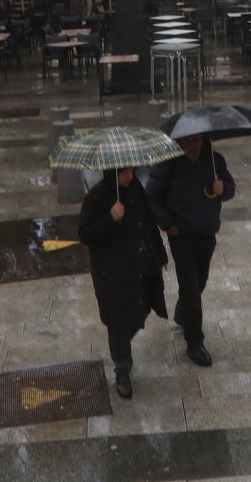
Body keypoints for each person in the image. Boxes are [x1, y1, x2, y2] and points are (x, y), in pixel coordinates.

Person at [144, 133, 236, 367]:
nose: (191, 146)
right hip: (181, 235)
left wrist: (222, 188)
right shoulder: (167, 164)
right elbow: (151, 198)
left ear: (204, 140)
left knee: (200, 281)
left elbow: (230, 190)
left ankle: (182, 312)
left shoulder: (215, 160)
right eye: (186, 141)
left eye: (196, 141)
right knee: (191, 289)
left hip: (206, 233)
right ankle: (195, 343)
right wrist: (168, 224)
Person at [78, 166, 169, 398]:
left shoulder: (136, 187)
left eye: (132, 171)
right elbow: (86, 234)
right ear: (113, 173)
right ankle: (122, 369)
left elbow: (147, 222)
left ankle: (121, 345)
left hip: (140, 265)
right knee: (118, 320)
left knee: (144, 306)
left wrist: (159, 253)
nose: (130, 177)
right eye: (124, 173)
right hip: (113, 272)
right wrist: (110, 218)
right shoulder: (96, 197)